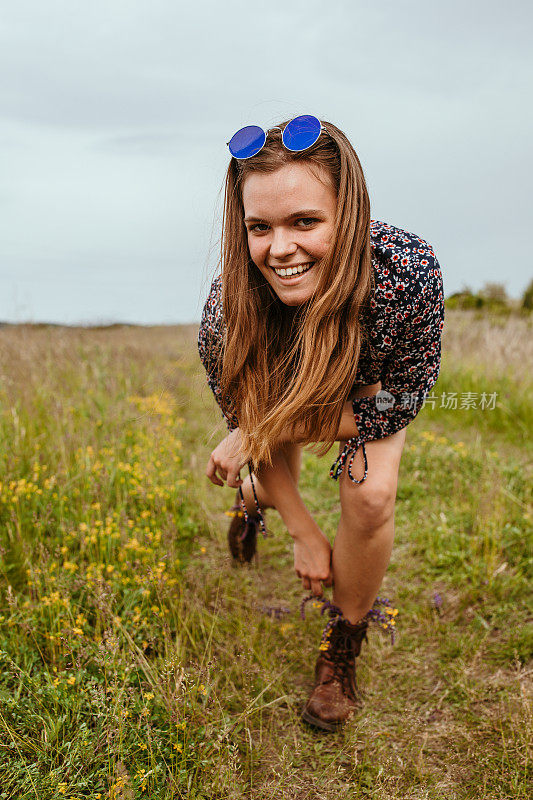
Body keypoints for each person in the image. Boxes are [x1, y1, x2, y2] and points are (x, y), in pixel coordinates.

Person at [197, 115, 444, 731]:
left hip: (369, 388)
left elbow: (400, 400)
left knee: (372, 497)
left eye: (304, 221)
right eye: (260, 227)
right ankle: (256, 503)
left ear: (349, 211)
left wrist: (265, 425)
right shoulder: (227, 316)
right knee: (265, 457)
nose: (280, 249)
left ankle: (342, 648)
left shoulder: (407, 273)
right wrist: (307, 536)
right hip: (280, 385)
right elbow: (254, 433)